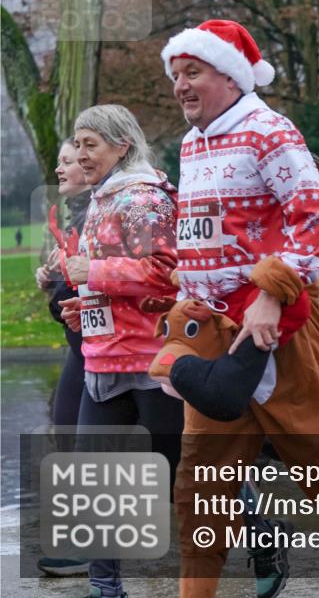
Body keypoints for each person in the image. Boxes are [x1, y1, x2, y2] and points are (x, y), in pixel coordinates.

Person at [161, 19, 319, 598]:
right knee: (200, 484)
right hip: (214, 333)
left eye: (192, 72)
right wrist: (184, 294)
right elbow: (200, 232)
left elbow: (314, 218)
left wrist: (272, 292)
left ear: (230, 75)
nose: (181, 86)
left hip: (279, 332)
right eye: (176, 75)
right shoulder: (190, 142)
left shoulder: (268, 130)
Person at [57, 105, 183, 598]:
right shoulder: (101, 199)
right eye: (78, 143)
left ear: (121, 146)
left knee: (184, 472)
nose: (81, 154)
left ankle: (261, 530)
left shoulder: (144, 200)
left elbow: (165, 272)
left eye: (91, 144)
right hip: (103, 362)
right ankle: (104, 588)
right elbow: (105, 278)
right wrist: (83, 307)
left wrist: (96, 275)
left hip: (151, 361)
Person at [33, 139, 92, 578]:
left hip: (119, 350)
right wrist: (53, 283)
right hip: (82, 349)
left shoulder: (113, 211)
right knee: (71, 433)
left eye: (69, 161)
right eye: (60, 162)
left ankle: (254, 525)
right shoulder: (72, 216)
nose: (60, 169)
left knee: (168, 449)